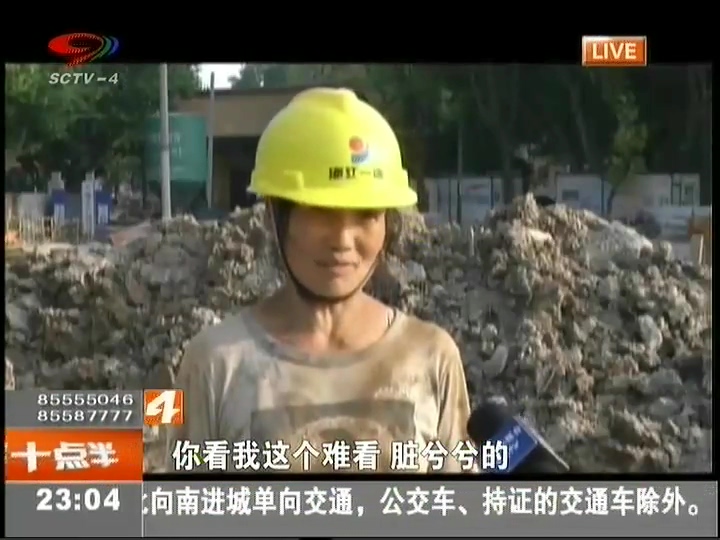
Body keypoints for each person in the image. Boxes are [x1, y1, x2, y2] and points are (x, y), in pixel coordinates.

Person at [166, 87, 473, 473]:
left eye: (366, 215)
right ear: (274, 216)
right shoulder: (214, 365)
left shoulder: (431, 358)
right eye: (320, 212)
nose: (343, 240)